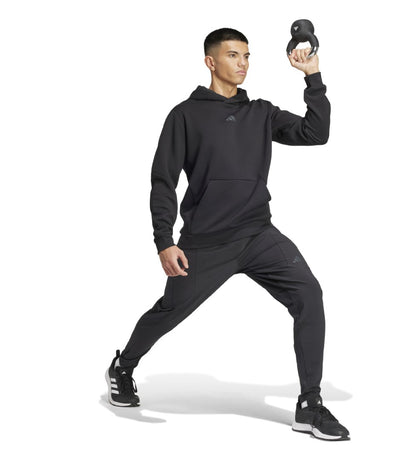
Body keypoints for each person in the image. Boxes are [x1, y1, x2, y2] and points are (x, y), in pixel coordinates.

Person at [105, 27, 350, 441]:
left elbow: (316, 133)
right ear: (211, 61)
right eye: (234, 55)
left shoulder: (261, 113)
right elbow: (163, 181)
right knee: (169, 311)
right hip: (206, 242)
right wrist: (164, 240)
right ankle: (123, 366)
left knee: (309, 294)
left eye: (247, 56)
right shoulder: (185, 115)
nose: (243, 63)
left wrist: (312, 77)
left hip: (258, 234)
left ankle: (310, 404)